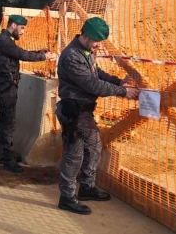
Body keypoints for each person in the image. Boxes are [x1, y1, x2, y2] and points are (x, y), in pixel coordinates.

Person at [55, 17, 140, 215]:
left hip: (83, 111)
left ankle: (86, 187)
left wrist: (118, 82)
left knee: (93, 148)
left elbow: (96, 73)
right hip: (74, 111)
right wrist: (123, 92)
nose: (99, 45)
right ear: (85, 35)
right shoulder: (72, 56)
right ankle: (67, 197)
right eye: (96, 40)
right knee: (74, 154)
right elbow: (92, 84)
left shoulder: (85, 51)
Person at [0, 14, 57, 173]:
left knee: (5, 121)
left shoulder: (6, 40)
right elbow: (22, 55)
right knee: (8, 123)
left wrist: (39, 51)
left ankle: (2, 154)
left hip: (7, 85)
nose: (23, 32)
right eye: (22, 28)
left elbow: (19, 52)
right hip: (6, 87)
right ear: (13, 26)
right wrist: (43, 56)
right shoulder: (3, 40)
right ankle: (7, 159)